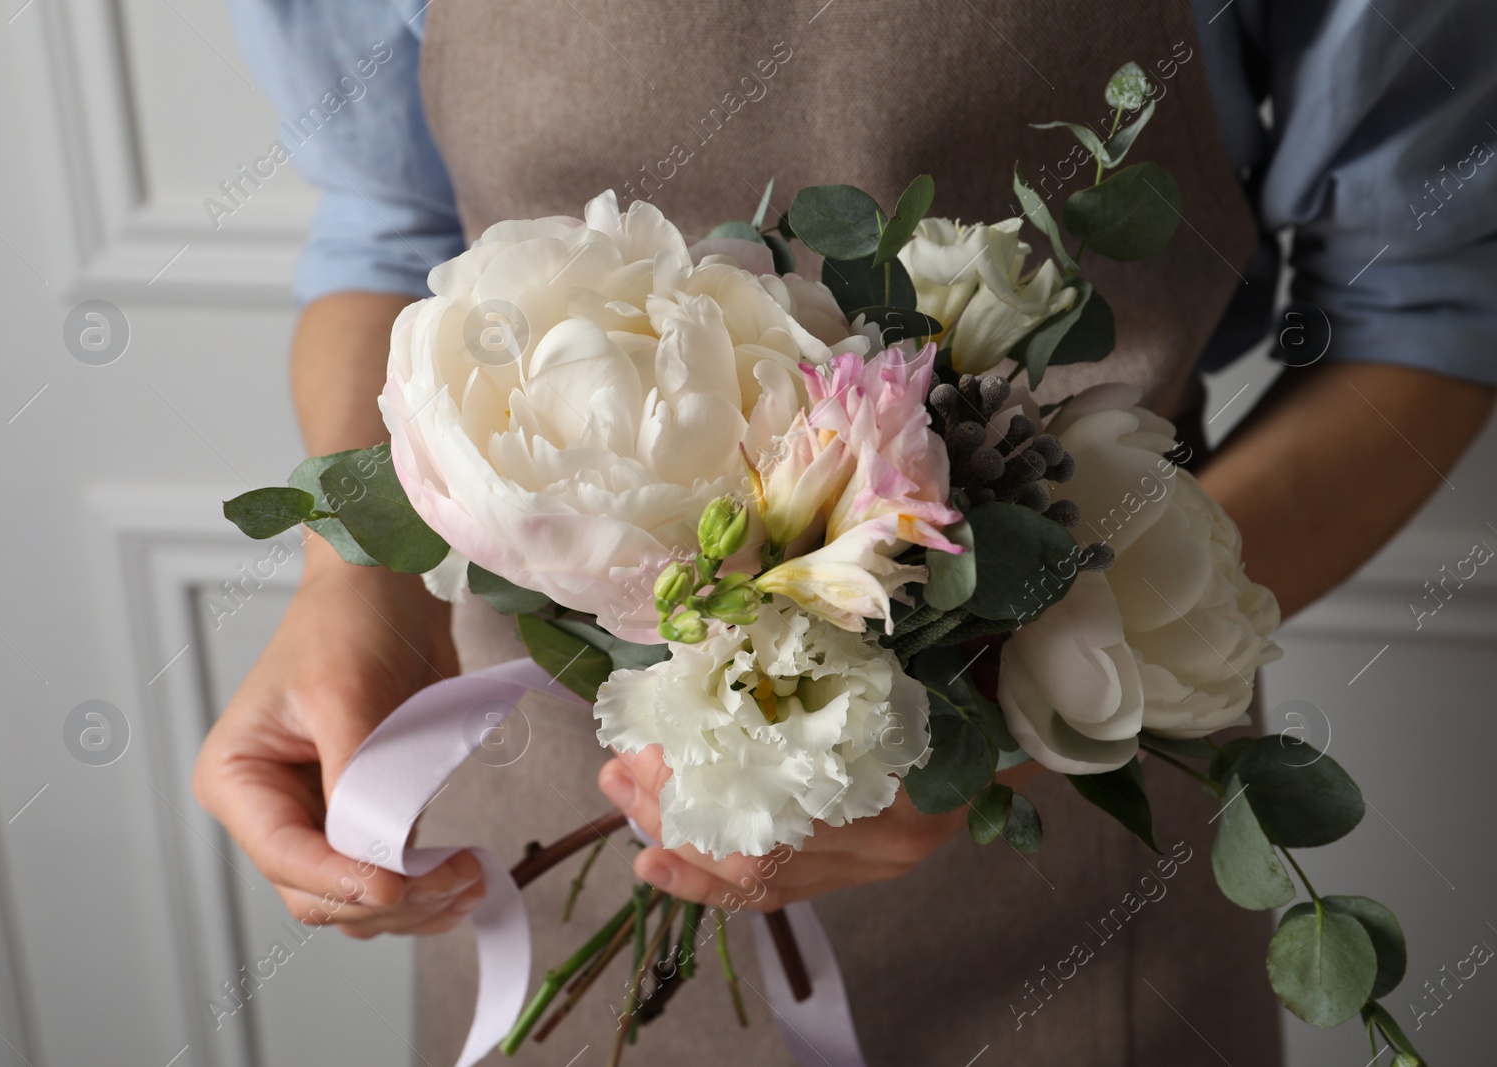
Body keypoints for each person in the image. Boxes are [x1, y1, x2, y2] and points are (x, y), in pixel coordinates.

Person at [195, 1, 1496, 1062]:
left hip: (1079, 836)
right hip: (553, 791)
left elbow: (1424, 311)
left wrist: (1001, 707)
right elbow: (399, 229)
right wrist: (355, 579)